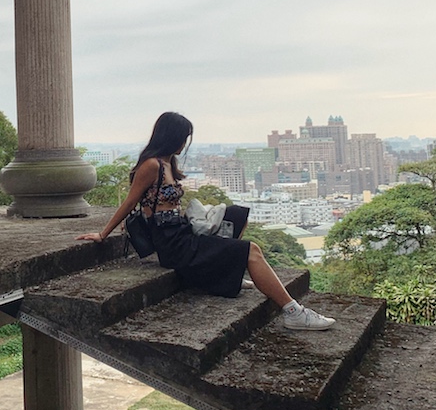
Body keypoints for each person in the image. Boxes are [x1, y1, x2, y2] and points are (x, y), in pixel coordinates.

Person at [76, 111, 335, 330]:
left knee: (236, 214)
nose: (184, 143)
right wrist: (103, 233)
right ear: (171, 137)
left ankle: (224, 268)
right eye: (183, 138)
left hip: (181, 230)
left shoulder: (167, 163)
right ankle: (293, 312)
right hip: (172, 242)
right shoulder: (151, 165)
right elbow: (130, 202)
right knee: (252, 251)